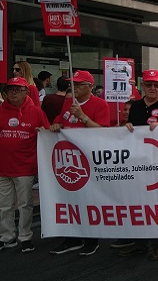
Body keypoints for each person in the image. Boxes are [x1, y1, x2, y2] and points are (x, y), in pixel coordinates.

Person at [118, 69, 158, 261]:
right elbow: (130, 132)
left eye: (156, 85)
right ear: (142, 86)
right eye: (148, 85)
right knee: (137, 204)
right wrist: (126, 127)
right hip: (138, 163)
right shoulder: (135, 107)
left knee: (157, 205)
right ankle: (139, 243)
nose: (152, 88)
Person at [49, 70, 110, 256]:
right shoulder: (68, 102)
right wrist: (56, 124)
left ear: (90, 87)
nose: (73, 88)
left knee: (89, 201)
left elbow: (103, 131)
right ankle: (71, 238)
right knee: (70, 201)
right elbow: (60, 121)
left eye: (78, 84)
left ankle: (92, 239)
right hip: (69, 159)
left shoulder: (101, 105)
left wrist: (83, 116)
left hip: (89, 161)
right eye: (72, 84)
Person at [0, 77, 50, 253]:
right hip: (3, 167)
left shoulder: (36, 112)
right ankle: (7, 237)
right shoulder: (1, 110)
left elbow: (48, 134)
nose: (13, 92)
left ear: (26, 92)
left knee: (25, 205)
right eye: (10, 89)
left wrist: (43, 132)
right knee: (4, 205)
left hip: (24, 167)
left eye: (17, 89)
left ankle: (25, 236)